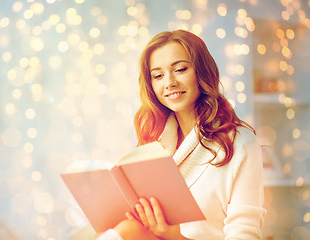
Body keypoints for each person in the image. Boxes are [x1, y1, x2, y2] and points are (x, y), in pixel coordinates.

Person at [96, 29, 266, 240]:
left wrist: (174, 236)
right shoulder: (153, 146)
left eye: (180, 69)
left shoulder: (240, 144)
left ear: (202, 72)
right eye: (158, 75)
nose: (169, 83)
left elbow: (245, 235)